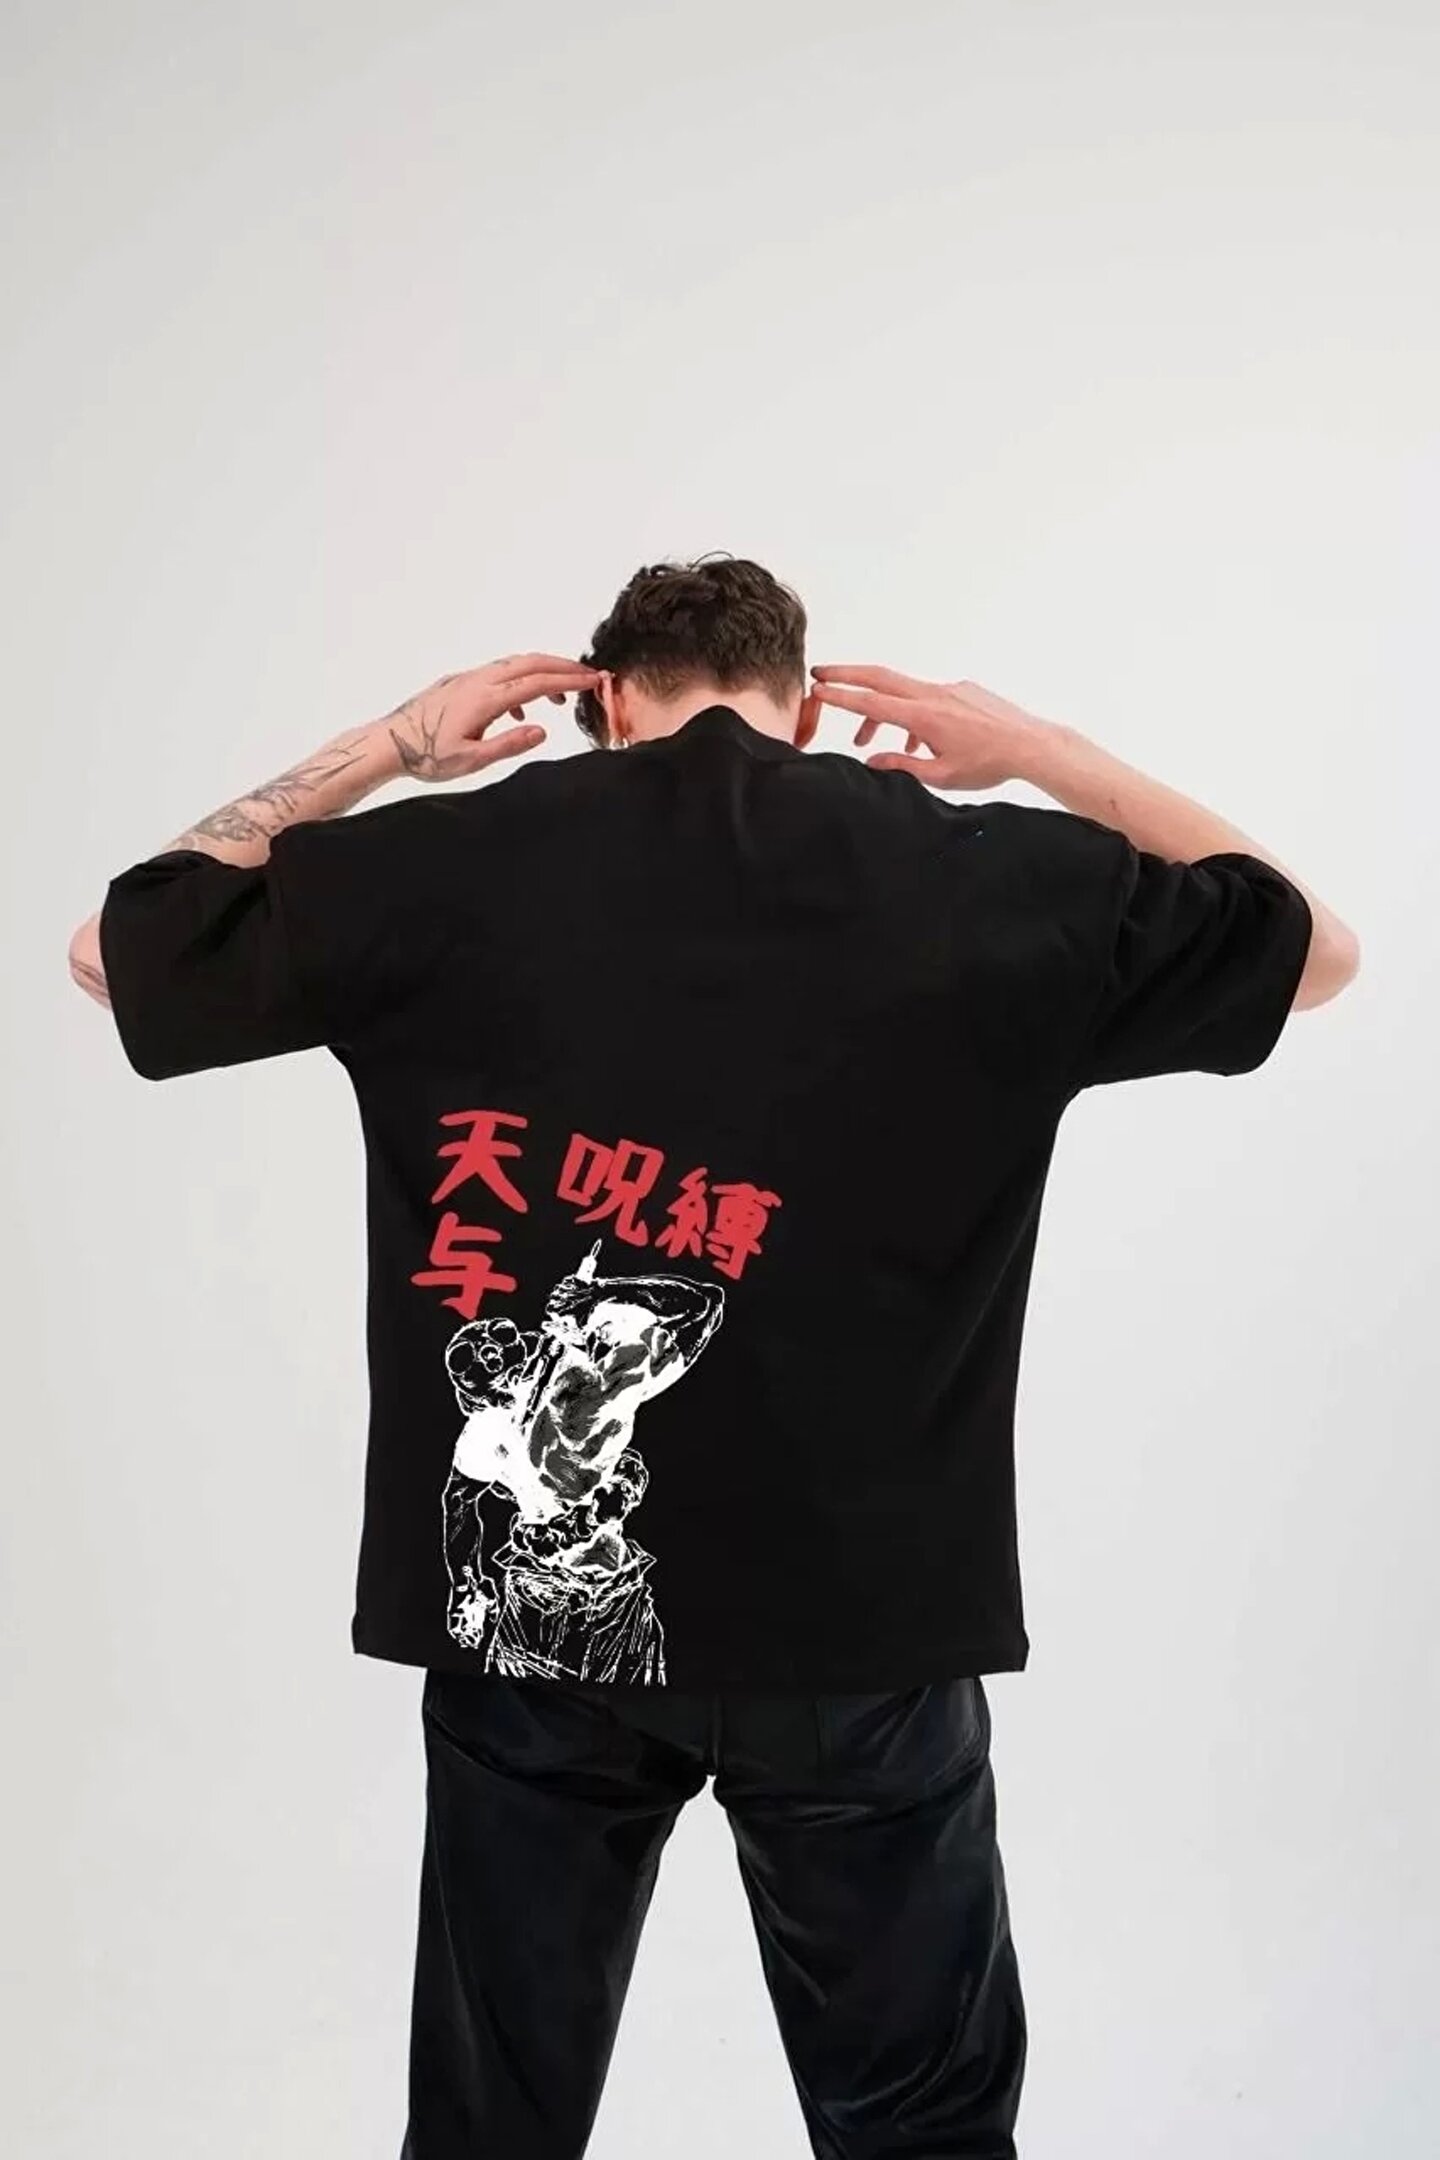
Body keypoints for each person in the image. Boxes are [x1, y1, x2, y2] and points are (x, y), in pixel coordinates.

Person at [68, 554, 1359, 2159]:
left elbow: (117, 947)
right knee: (924, 2132)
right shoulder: (983, 875)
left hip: (528, 1625)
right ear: (803, 709)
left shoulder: (443, 865)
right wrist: (1038, 752)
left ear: (607, 703)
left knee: (491, 2128)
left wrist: (395, 742)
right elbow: (1315, 951)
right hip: (862, 1624)